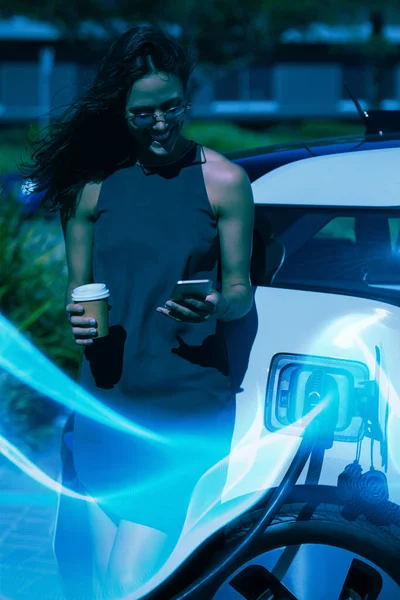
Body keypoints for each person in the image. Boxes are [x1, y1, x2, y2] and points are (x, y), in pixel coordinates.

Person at [24, 24, 254, 599]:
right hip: (106, 402)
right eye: (143, 113)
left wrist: (215, 303)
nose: (160, 124)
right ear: (119, 110)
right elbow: (80, 291)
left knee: (131, 580)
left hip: (184, 404)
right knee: (101, 582)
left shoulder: (225, 182)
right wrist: (80, 320)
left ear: (187, 99)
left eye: (172, 108)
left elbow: (241, 291)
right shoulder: (91, 189)